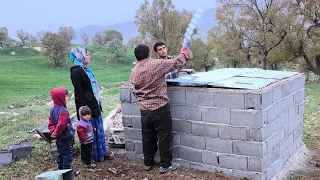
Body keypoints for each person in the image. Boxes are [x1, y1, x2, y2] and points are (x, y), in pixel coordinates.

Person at [130, 43, 193, 173]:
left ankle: (148, 162)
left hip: (144, 110)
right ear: (149, 54)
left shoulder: (134, 71)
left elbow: (134, 89)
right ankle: (166, 165)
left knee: (147, 137)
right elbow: (177, 62)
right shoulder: (156, 64)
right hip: (160, 107)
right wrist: (185, 49)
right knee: (164, 137)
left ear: (137, 57)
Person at [70, 46, 109, 162]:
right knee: (89, 132)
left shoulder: (86, 69)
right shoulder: (76, 72)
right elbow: (79, 93)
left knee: (98, 130)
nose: (89, 56)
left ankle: (101, 155)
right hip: (88, 109)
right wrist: (85, 112)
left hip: (94, 105)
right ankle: (90, 158)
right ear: (80, 56)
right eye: (87, 54)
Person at [48, 87, 75, 170]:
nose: (67, 98)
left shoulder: (52, 110)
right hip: (65, 137)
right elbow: (61, 124)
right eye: (65, 96)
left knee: (60, 153)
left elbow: (50, 123)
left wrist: (53, 131)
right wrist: (56, 132)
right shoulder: (63, 111)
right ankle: (66, 171)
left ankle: (60, 169)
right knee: (67, 154)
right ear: (60, 98)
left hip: (59, 138)